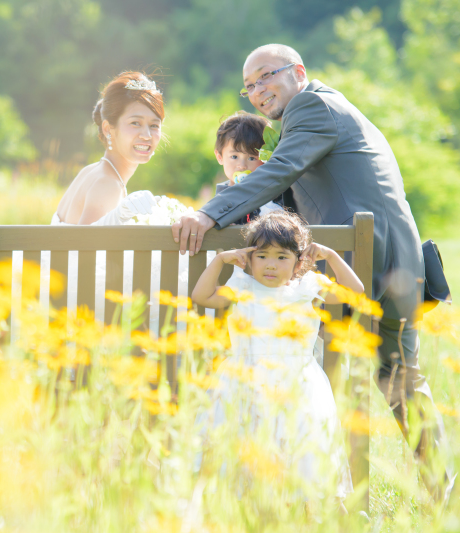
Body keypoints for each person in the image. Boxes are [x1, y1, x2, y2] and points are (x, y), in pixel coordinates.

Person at [173, 43, 454, 500]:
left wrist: (209, 214)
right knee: (400, 381)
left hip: (369, 263)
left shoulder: (313, 106)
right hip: (392, 260)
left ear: (297, 71)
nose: (258, 91)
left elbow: (281, 171)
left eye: (266, 76)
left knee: (332, 372)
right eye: (249, 86)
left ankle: (321, 494)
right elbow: (294, 190)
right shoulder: (318, 112)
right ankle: (439, 494)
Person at [191, 211, 356, 508]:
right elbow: (202, 296)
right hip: (244, 379)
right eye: (263, 255)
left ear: (298, 262)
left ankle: (293, 506)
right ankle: (245, 504)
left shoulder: (307, 288)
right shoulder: (241, 286)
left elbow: (355, 292)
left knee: (296, 446)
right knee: (243, 441)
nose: (271, 264)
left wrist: (330, 255)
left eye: (282, 257)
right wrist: (220, 260)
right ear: (249, 259)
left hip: (296, 383)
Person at [52, 72, 163, 226]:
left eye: (154, 125)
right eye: (135, 123)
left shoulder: (90, 171)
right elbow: (85, 249)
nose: (146, 135)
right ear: (108, 129)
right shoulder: (108, 185)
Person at [213, 111, 283, 225]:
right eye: (234, 156)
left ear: (266, 159)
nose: (242, 165)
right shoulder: (218, 202)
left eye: (252, 158)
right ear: (220, 157)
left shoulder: (274, 194)